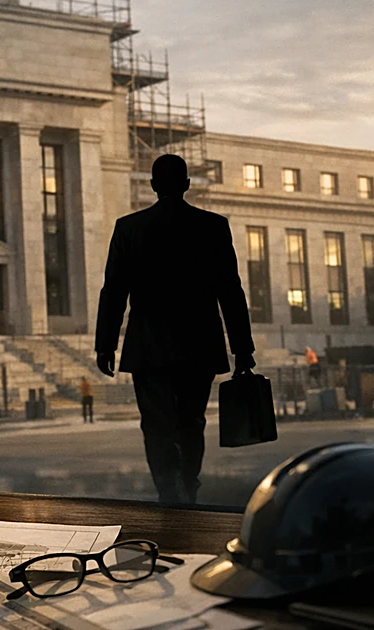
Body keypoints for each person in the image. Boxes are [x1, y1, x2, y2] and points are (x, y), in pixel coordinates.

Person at [94, 154, 255, 505]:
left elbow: (114, 291)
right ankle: (188, 482)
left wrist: (105, 344)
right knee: (191, 420)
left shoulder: (129, 228)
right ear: (186, 185)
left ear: (153, 186)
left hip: (148, 345)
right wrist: (242, 347)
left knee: (155, 423)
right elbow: (230, 289)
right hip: (199, 344)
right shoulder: (213, 226)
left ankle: (167, 486)